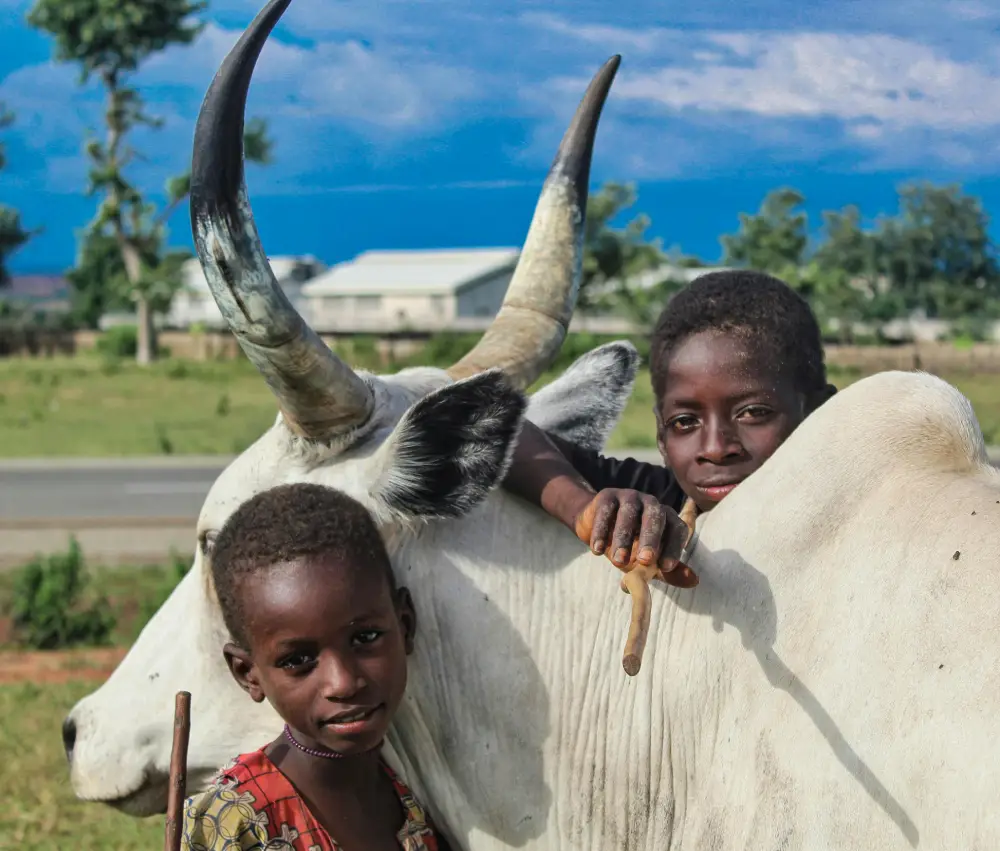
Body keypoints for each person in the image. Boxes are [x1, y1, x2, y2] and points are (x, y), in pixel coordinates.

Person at [502, 270, 837, 585]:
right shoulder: (665, 502)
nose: (716, 449)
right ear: (662, 438)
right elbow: (505, 429)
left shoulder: (868, 511)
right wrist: (584, 509)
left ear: (823, 412)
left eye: (752, 412)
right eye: (685, 422)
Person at [181, 482, 453, 851]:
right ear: (249, 674)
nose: (343, 683)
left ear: (404, 625)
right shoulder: (236, 822)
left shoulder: (422, 798)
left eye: (365, 638)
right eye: (297, 660)